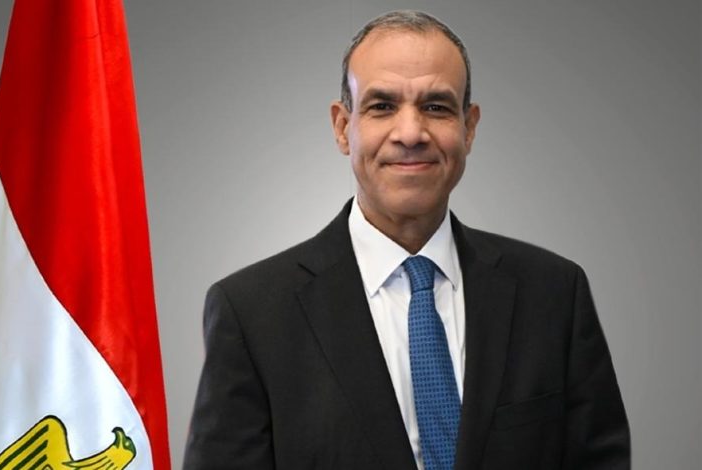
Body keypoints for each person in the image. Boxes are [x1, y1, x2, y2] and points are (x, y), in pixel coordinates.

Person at [183, 10, 629, 470]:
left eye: (436, 107)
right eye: (382, 106)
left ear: (469, 128)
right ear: (343, 127)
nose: (411, 133)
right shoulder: (251, 314)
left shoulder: (555, 293)